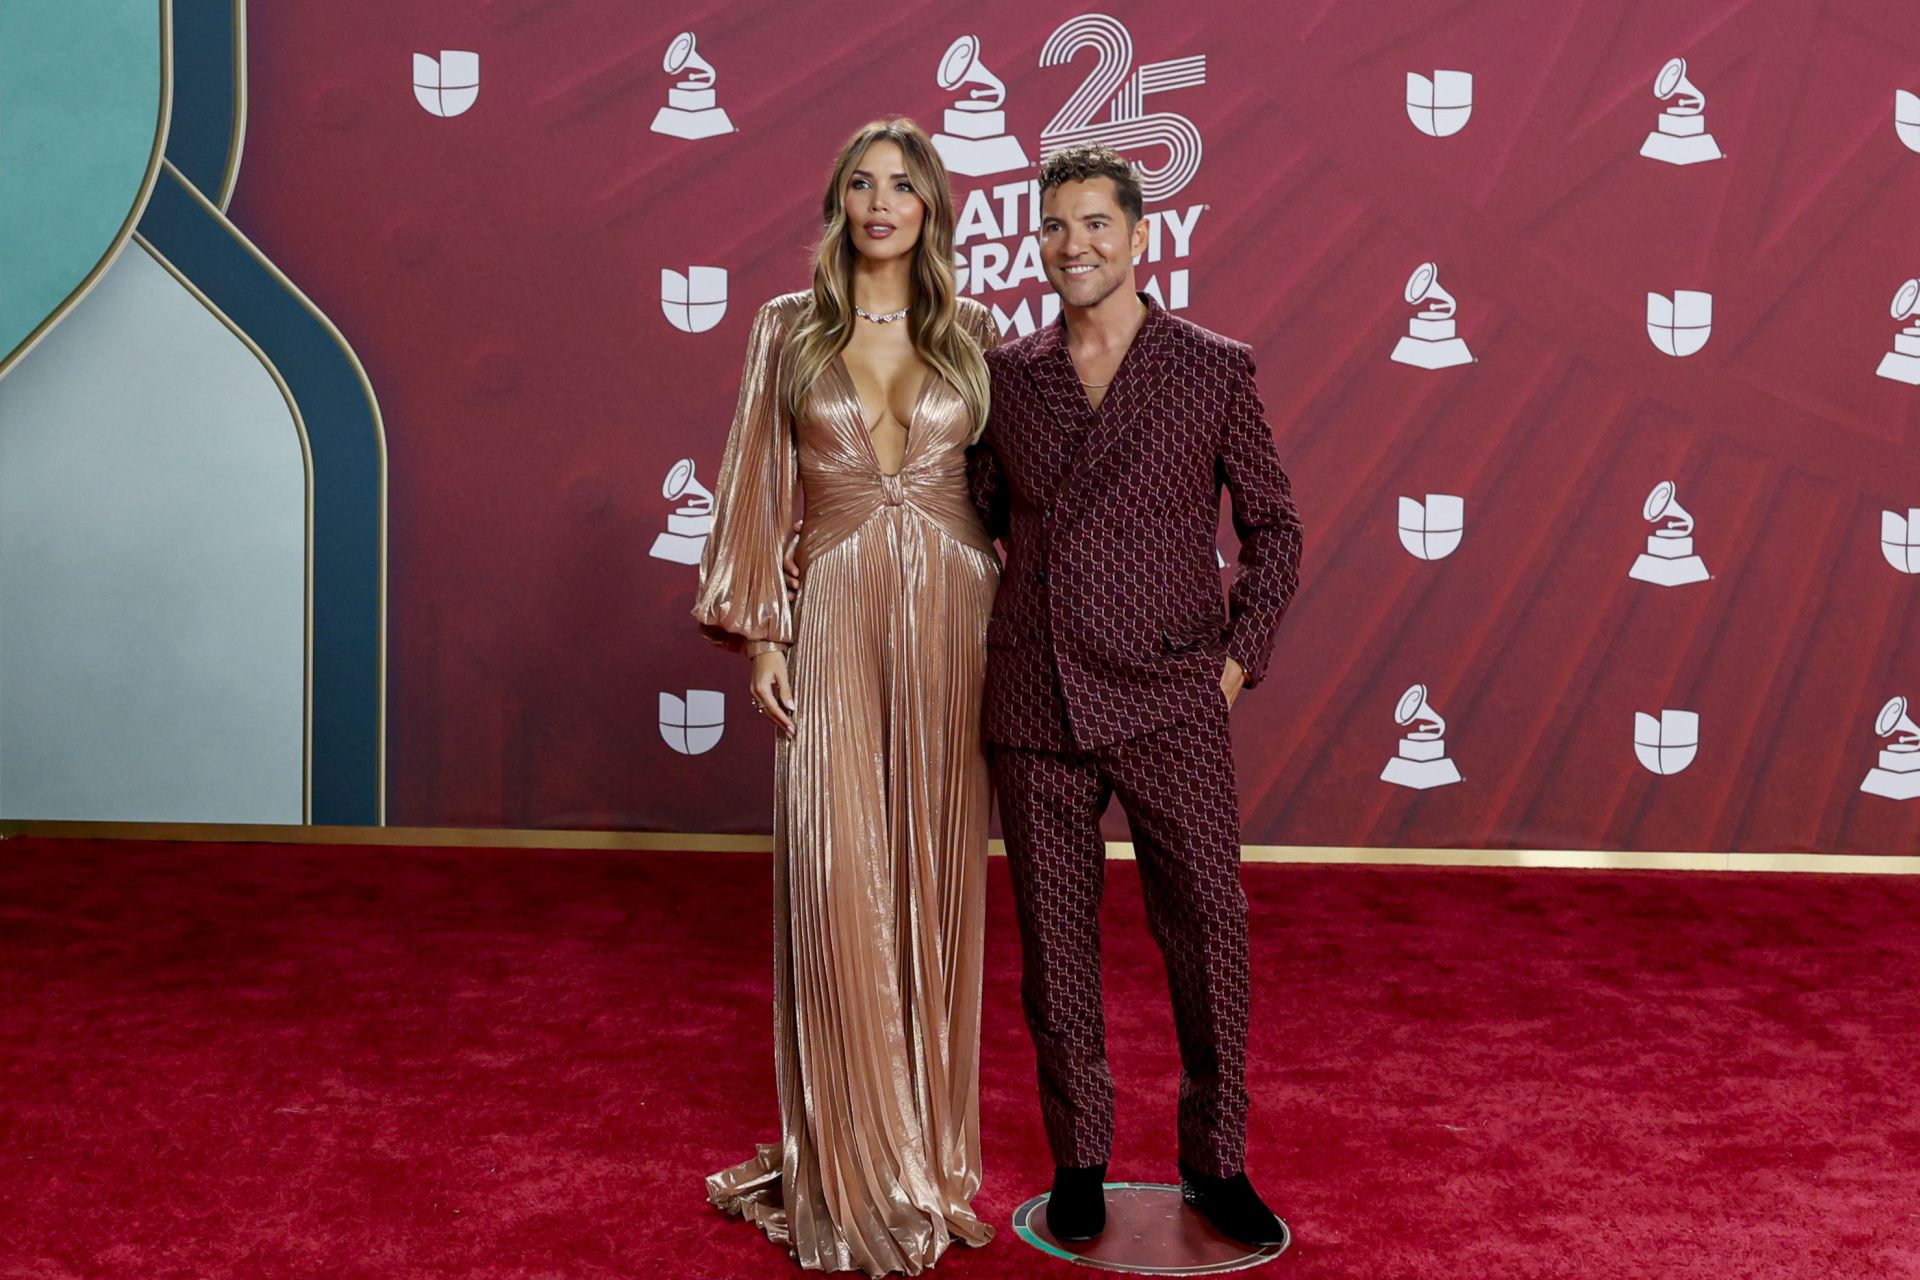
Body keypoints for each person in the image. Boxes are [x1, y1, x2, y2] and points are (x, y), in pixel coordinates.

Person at [968, 143, 1304, 1247]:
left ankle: (1216, 1161)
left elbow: (1275, 528)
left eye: (1096, 224)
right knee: (1055, 945)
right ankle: (1080, 1160)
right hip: (1036, 701)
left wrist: (1235, 660)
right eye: (1055, 226)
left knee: (1210, 931)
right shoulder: (1008, 376)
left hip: (1171, 695)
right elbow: (975, 518)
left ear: (1141, 236)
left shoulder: (1210, 366)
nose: (1074, 245)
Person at [690, 118, 1001, 1275]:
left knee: (929, 875)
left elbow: (1023, 501)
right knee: (839, 880)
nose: (882, 202)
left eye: (903, 184)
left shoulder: (976, 336)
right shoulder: (787, 327)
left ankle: (922, 1152)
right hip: (826, 617)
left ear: (933, 205)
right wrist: (761, 627)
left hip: (955, 627)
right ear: (838, 202)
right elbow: (754, 484)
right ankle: (849, 1161)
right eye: (862, 184)